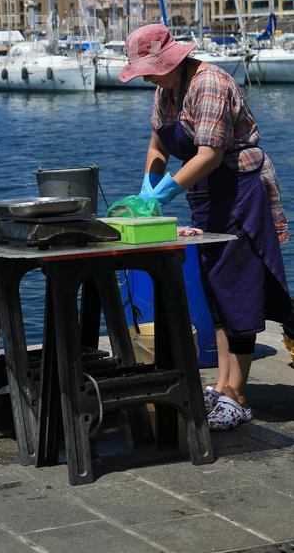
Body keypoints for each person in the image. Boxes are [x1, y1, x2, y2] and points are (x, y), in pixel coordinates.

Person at [120, 23, 294, 431]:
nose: (146, 76)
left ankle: (238, 395)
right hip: (203, 194)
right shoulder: (166, 90)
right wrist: (149, 185)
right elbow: (157, 146)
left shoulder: (209, 83)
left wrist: (162, 197)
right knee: (214, 288)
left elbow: (211, 154)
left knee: (240, 288)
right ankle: (220, 384)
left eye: (150, 68)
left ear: (172, 60)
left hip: (239, 189)